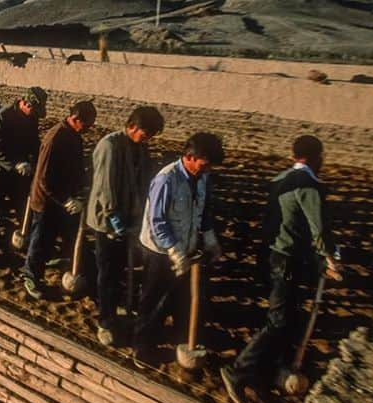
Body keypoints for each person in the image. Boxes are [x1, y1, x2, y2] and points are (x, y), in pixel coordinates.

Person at [222, 135, 342, 403]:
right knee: (278, 319)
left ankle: (269, 369)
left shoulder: (280, 179)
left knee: (284, 316)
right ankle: (237, 371)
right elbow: (319, 228)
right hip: (288, 260)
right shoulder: (309, 187)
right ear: (317, 158)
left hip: (273, 255)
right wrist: (331, 257)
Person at [132, 132, 225, 366]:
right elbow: (157, 221)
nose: (207, 170)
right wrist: (174, 251)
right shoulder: (166, 179)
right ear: (190, 157)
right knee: (152, 300)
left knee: (181, 298)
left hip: (188, 247)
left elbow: (203, 212)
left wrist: (211, 239)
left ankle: (182, 338)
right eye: (204, 164)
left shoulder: (203, 178)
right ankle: (142, 348)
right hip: (160, 252)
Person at [84, 106, 165, 345]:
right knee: (108, 271)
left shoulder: (140, 148)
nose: (148, 139)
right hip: (106, 221)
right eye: (146, 133)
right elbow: (104, 188)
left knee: (121, 269)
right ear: (132, 126)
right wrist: (114, 217)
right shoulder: (110, 146)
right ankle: (105, 321)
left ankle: (116, 308)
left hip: (129, 217)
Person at [21, 100, 97, 299]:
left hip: (65, 198)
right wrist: (64, 200)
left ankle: (77, 270)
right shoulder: (55, 138)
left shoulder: (75, 136)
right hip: (46, 199)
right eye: (87, 124)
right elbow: (45, 178)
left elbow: (77, 168)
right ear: (75, 118)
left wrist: (81, 189)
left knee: (69, 236)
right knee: (41, 239)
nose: (89, 128)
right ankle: (31, 276)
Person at [0, 87, 46, 265]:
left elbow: (33, 142)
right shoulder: (2, 116)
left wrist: (34, 161)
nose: (34, 114)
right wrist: (14, 164)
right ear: (25, 103)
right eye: (33, 110)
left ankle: (26, 243)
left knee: (24, 207)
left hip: (20, 172)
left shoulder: (31, 118)